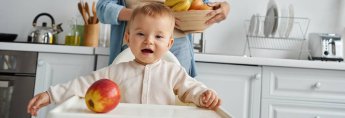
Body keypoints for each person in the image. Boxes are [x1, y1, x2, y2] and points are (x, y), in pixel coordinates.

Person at [27, 2, 221, 116]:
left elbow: (192, 89)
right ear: (127, 38)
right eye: (140, 34)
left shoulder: (174, 72)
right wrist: (50, 95)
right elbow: (83, 84)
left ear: (169, 43)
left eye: (158, 37)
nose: (149, 41)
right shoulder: (115, 71)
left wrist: (204, 95)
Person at [96, 0, 230, 77]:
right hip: (135, 42)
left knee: (177, 95)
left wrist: (224, 7)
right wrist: (141, 16)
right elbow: (103, 8)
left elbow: (202, 3)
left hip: (179, 43)